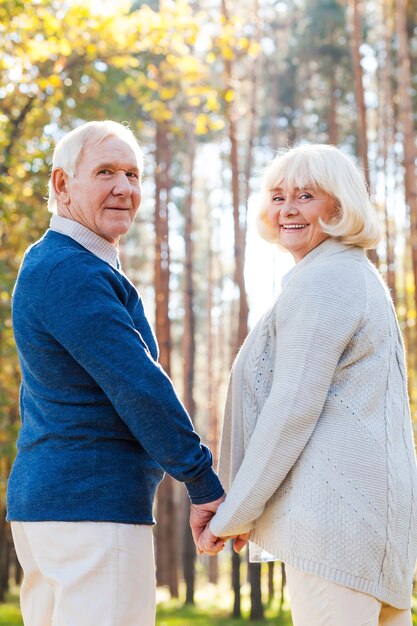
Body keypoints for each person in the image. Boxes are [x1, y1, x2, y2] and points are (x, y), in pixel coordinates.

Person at [7, 120, 225, 626]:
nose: (124, 188)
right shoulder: (70, 269)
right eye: (105, 172)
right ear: (62, 185)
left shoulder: (62, 264)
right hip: (90, 512)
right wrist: (202, 482)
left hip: (60, 510)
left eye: (133, 174)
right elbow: (138, 385)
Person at [198, 144, 417, 626]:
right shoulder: (350, 273)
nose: (288, 209)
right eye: (277, 197)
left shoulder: (326, 280)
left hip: (335, 527)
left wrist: (234, 512)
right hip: (372, 527)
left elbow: (291, 409)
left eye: (305, 196)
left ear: (338, 207)